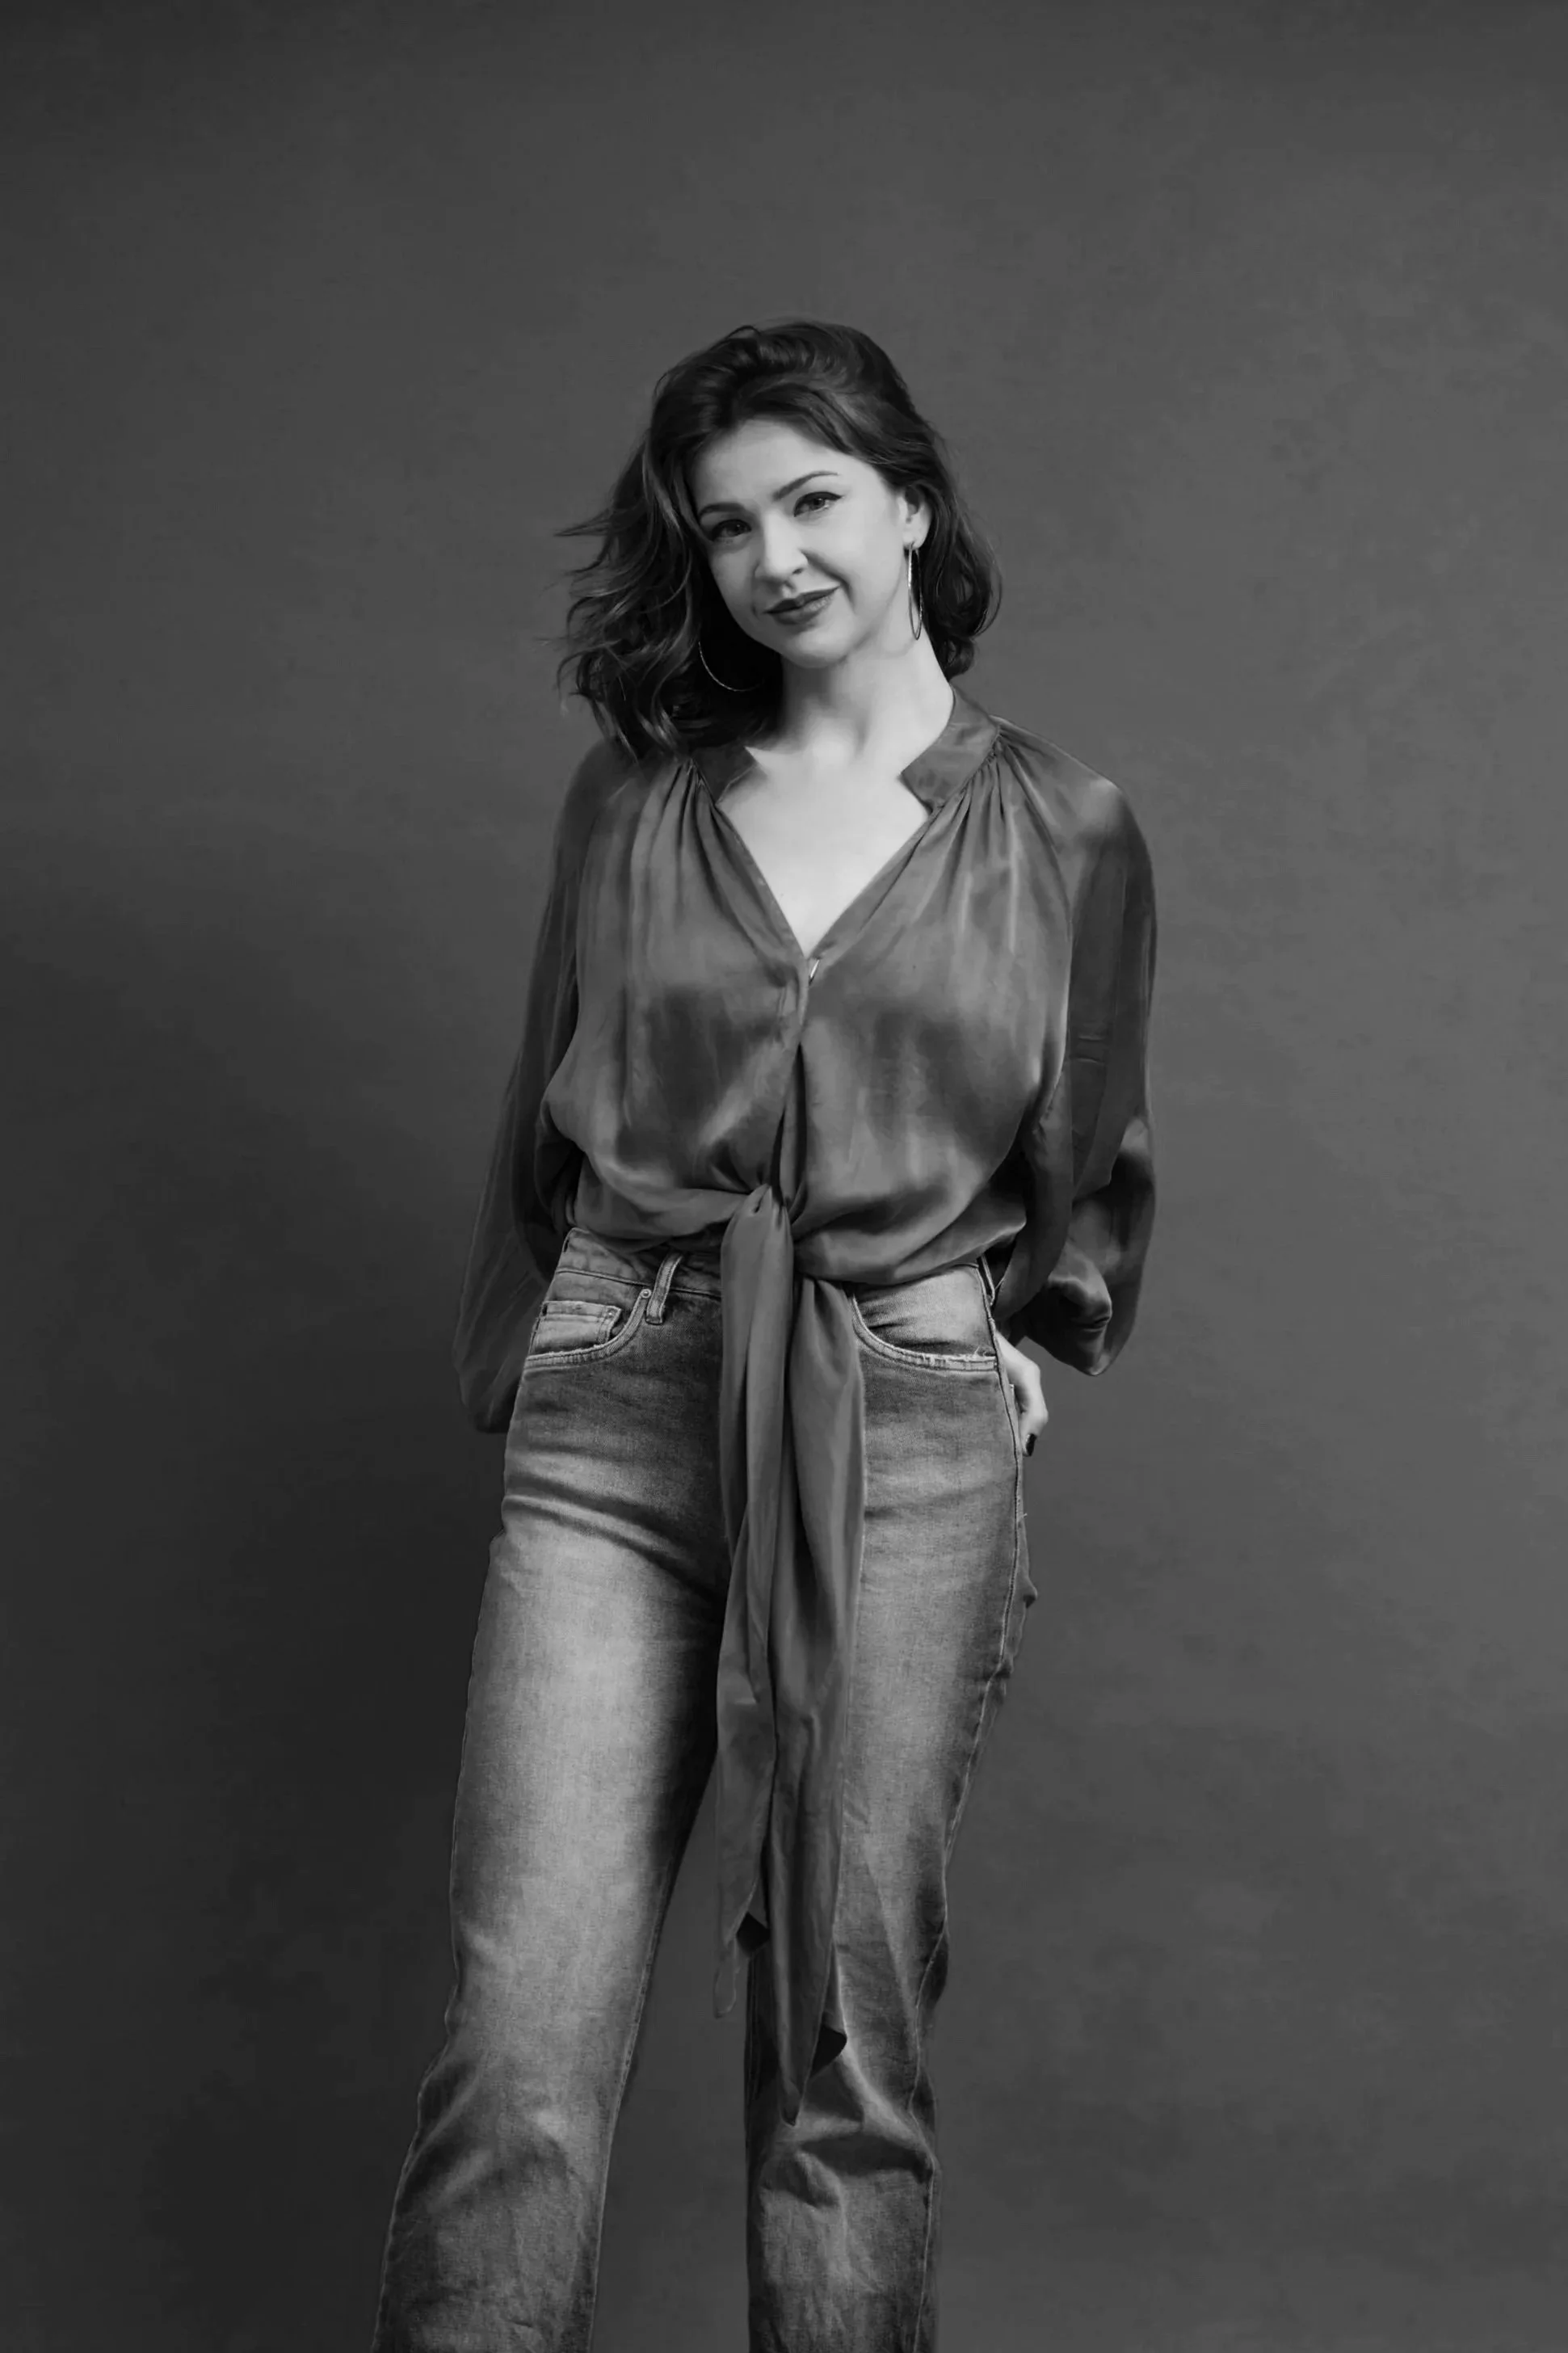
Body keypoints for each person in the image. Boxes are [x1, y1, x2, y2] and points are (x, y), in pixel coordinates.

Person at [370, 317, 1158, 2353]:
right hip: (620, 1398)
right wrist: (536, 1338)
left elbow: (1091, 1144)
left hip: (896, 1418)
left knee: (841, 2053)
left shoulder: (1061, 827)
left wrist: (1017, 1330)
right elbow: (538, 1091)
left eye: (812, 500)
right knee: (519, 2041)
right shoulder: (635, 801)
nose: (772, 557)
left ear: (909, 500)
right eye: (726, 527)